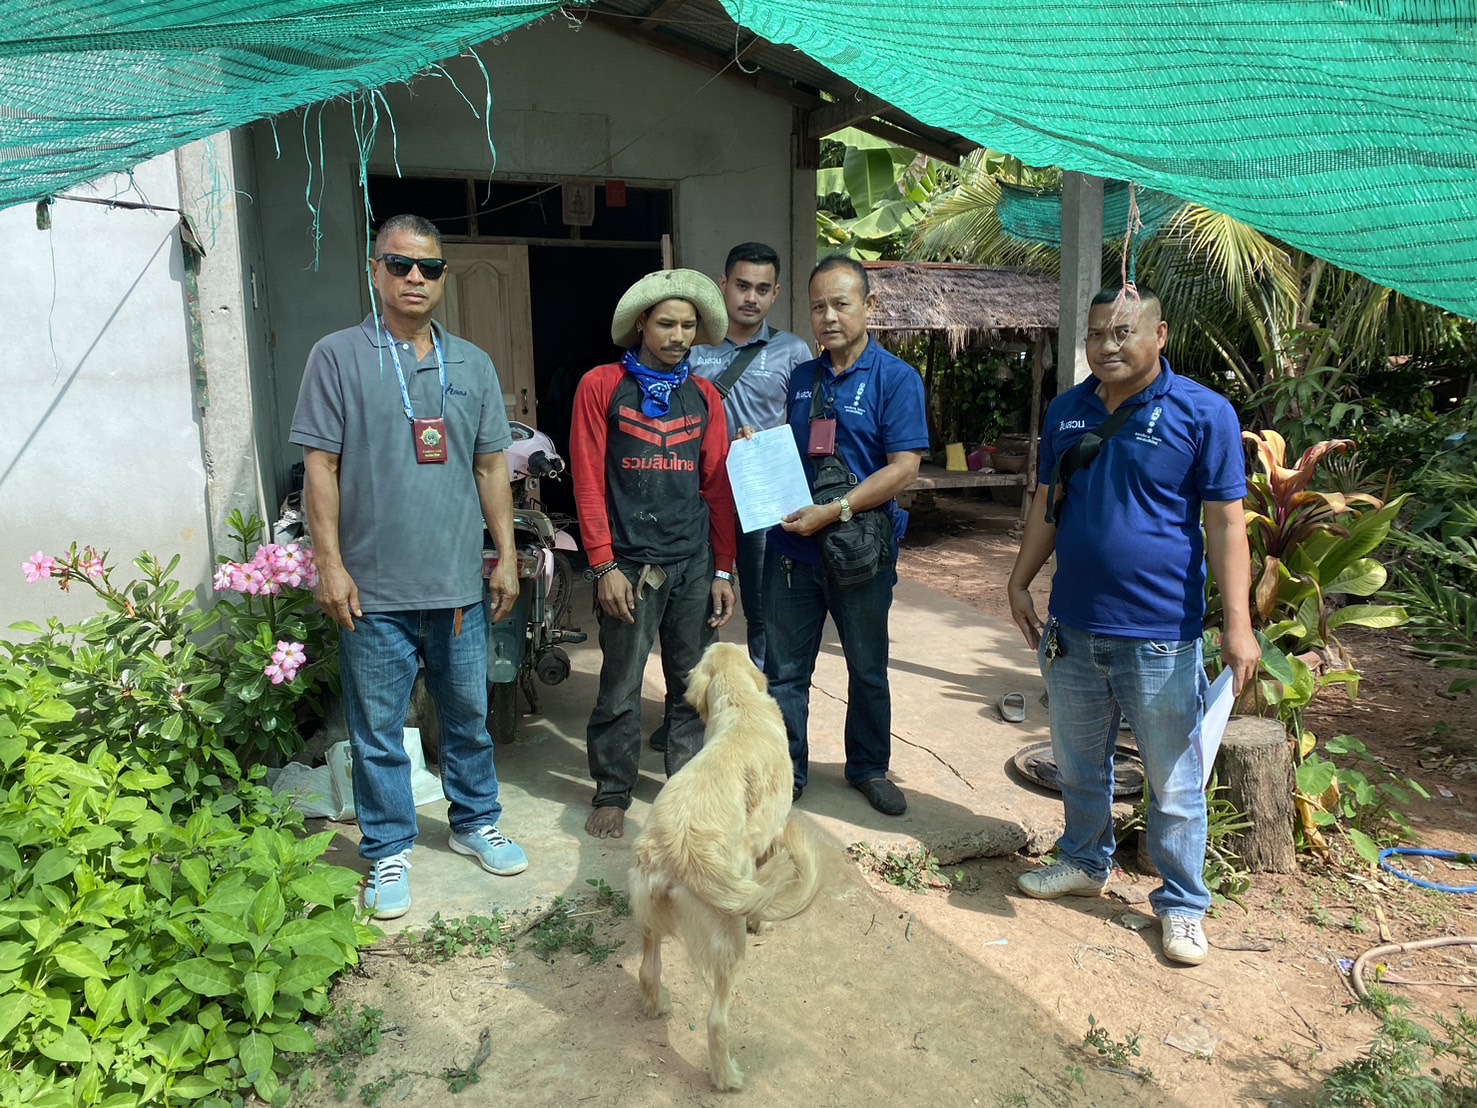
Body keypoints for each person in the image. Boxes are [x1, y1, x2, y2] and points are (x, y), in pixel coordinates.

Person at [1006, 283, 1258, 967]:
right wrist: (1020, 579)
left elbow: (1225, 524)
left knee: (1173, 780)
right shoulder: (1068, 410)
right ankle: (1084, 861)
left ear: (1159, 334)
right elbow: (1049, 502)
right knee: (1078, 763)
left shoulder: (1202, 412)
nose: (1106, 346)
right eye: (1095, 334)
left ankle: (1181, 904)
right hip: (1073, 627)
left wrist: (1237, 625)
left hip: (1159, 634)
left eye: (1122, 332)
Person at [291, 213, 528, 922]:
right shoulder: (337, 356)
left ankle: (474, 822)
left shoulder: (472, 364)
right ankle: (389, 848)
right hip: (372, 592)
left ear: (444, 276)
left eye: (428, 266)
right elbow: (320, 467)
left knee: (468, 719)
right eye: (399, 264)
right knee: (378, 733)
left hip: (456, 586)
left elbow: (491, 467)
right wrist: (329, 565)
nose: (414, 277)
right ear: (375, 271)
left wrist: (505, 557)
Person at [569, 268, 738, 840]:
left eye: (688, 326)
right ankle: (613, 790)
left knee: (691, 685)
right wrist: (603, 564)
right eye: (666, 323)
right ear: (642, 323)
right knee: (621, 684)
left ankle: (686, 793)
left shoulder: (706, 396)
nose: (678, 336)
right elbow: (588, 481)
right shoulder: (601, 386)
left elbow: (717, 487)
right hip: (630, 564)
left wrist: (722, 569)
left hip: (692, 561)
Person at [763, 256, 929, 816]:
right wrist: (760, 447)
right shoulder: (803, 378)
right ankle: (786, 772)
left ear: (868, 306)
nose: (828, 317)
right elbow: (797, 452)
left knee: (867, 668)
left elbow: (904, 469)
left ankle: (868, 768)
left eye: (840, 304)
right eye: (818, 306)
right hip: (793, 552)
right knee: (785, 673)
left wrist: (834, 511)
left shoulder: (896, 379)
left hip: (861, 554)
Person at [688, 242, 813, 670]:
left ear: (775, 293)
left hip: (764, 501)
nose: (751, 297)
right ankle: (698, 698)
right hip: (702, 497)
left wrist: (768, 440)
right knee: (698, 605)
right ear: (723, 284)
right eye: (742, 286)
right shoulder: (694, 346)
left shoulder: (793, 351)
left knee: (765, 609)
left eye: (762, 289)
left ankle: (763, 696)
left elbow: (805, 426)